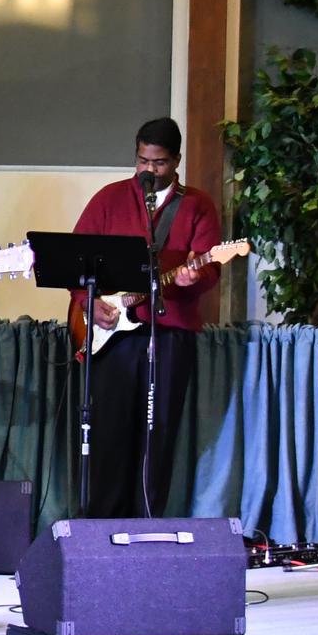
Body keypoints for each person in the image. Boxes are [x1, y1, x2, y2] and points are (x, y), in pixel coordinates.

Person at [70, 117, 222, 517]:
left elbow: (211, 270)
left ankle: (147, 526)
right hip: (113, 337)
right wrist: (86, 303)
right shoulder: (109, 198)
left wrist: (195, 277)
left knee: (158, 434)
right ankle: (101, 527)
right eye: (142, 161)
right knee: (110, 432)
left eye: (159, 162)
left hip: (169, 336)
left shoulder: (198, 205)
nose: (149, 170)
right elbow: (75, 260)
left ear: (177, 161)